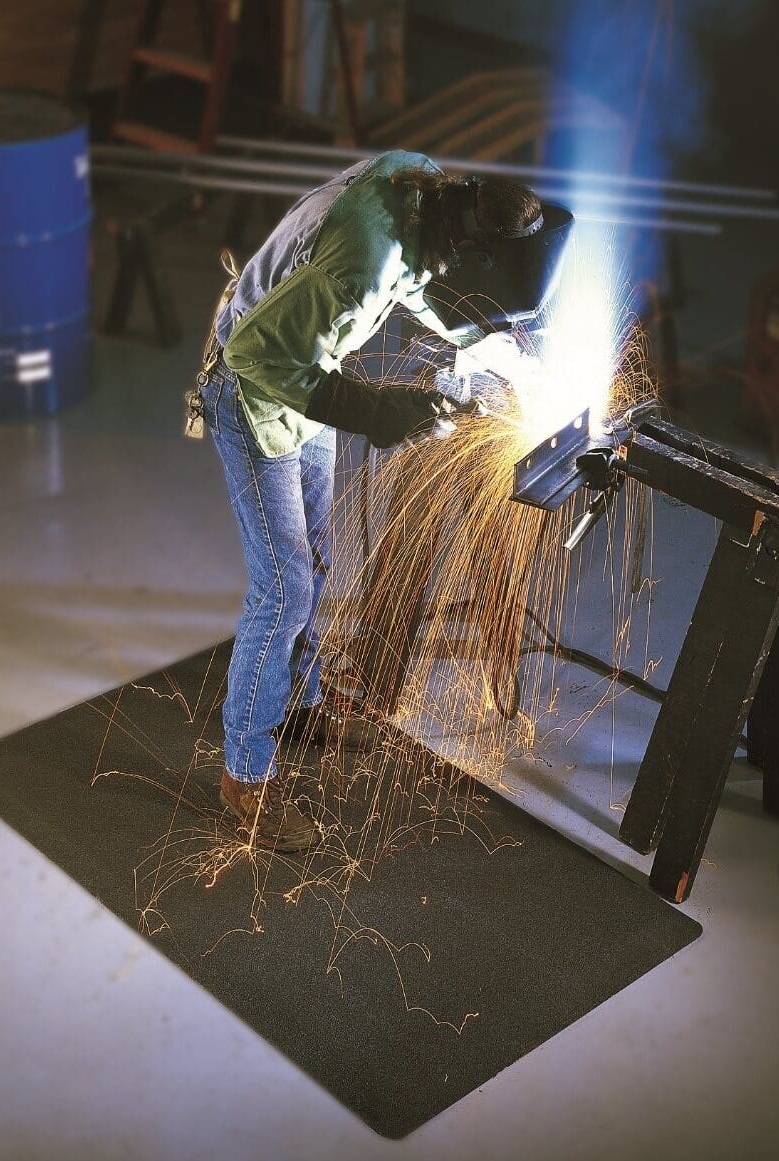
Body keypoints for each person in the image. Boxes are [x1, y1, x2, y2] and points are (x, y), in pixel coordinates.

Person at [192, 149, 543, 853]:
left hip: (304, 365)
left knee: (316, 559)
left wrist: (495, 346)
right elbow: (256, 355)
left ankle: (302, 705)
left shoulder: (418, 182)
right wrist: (381, 411)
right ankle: (244, 777)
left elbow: (416, 283)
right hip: (255, 389)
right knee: (284, 588)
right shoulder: (364, 262)